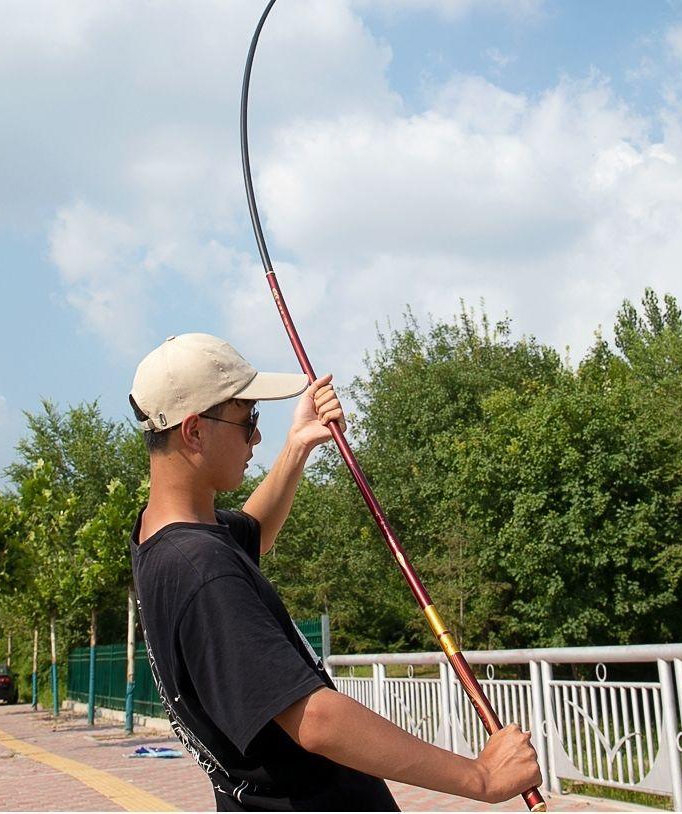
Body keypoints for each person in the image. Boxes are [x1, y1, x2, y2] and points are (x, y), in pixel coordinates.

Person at [130, 332, 541, 812]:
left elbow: (252, 533)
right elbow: (316, 720)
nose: (256, 437)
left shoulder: (162, 538)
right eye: (248, 420)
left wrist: (299, 444)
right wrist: (481, 777)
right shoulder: (203, 570)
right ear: (194, 431)